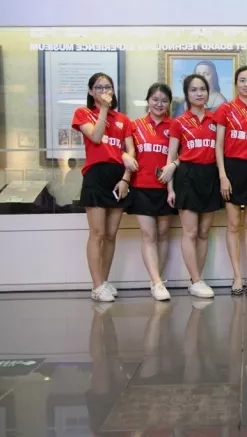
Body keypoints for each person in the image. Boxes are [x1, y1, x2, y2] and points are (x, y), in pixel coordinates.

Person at [72, 72, 138, 302]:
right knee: (97, 233)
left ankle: (105, 281)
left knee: (111, 234)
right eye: (99, 88)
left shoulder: (123, 119)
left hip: (118, 177)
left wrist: (126, 179)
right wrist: (102, 109)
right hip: (96, 176)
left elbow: (131, 151)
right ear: (91, 91)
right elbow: (97, 137)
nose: (104, 91)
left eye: (107, 87)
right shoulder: (83, 113)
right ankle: (96, 285)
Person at [214, 66, 247, 295]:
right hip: (231, 170)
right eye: (242, 80)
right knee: (234, 225)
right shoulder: (225, 109)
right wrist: (223, 176)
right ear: (236, 83)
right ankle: (237, 276)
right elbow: (218, 145)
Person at [165, 73, 220, 298]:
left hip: (211, 175)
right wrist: (170, 188)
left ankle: (197, 279)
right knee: (191, 231)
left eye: (202, 89)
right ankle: (196, 280)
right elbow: (171, 157)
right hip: (187, 176)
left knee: (204, 232)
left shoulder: (216, 120)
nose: (199, 93)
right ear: (187, 94)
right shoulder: (178, 122)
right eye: (194, 90)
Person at [128, 83, 175, 301]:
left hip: (166, 188)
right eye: (155, 99)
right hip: (141, 187)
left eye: (164, 100)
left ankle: (158, 278)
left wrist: (173, 166)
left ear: (169, 103)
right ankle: (156, 282)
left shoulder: (174, 126)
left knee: (163, 234)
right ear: (148, 100)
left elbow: (184, 155)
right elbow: (123, 151)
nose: (159, 104)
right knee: (149, 235)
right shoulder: (135, 125)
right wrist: (124, 157)